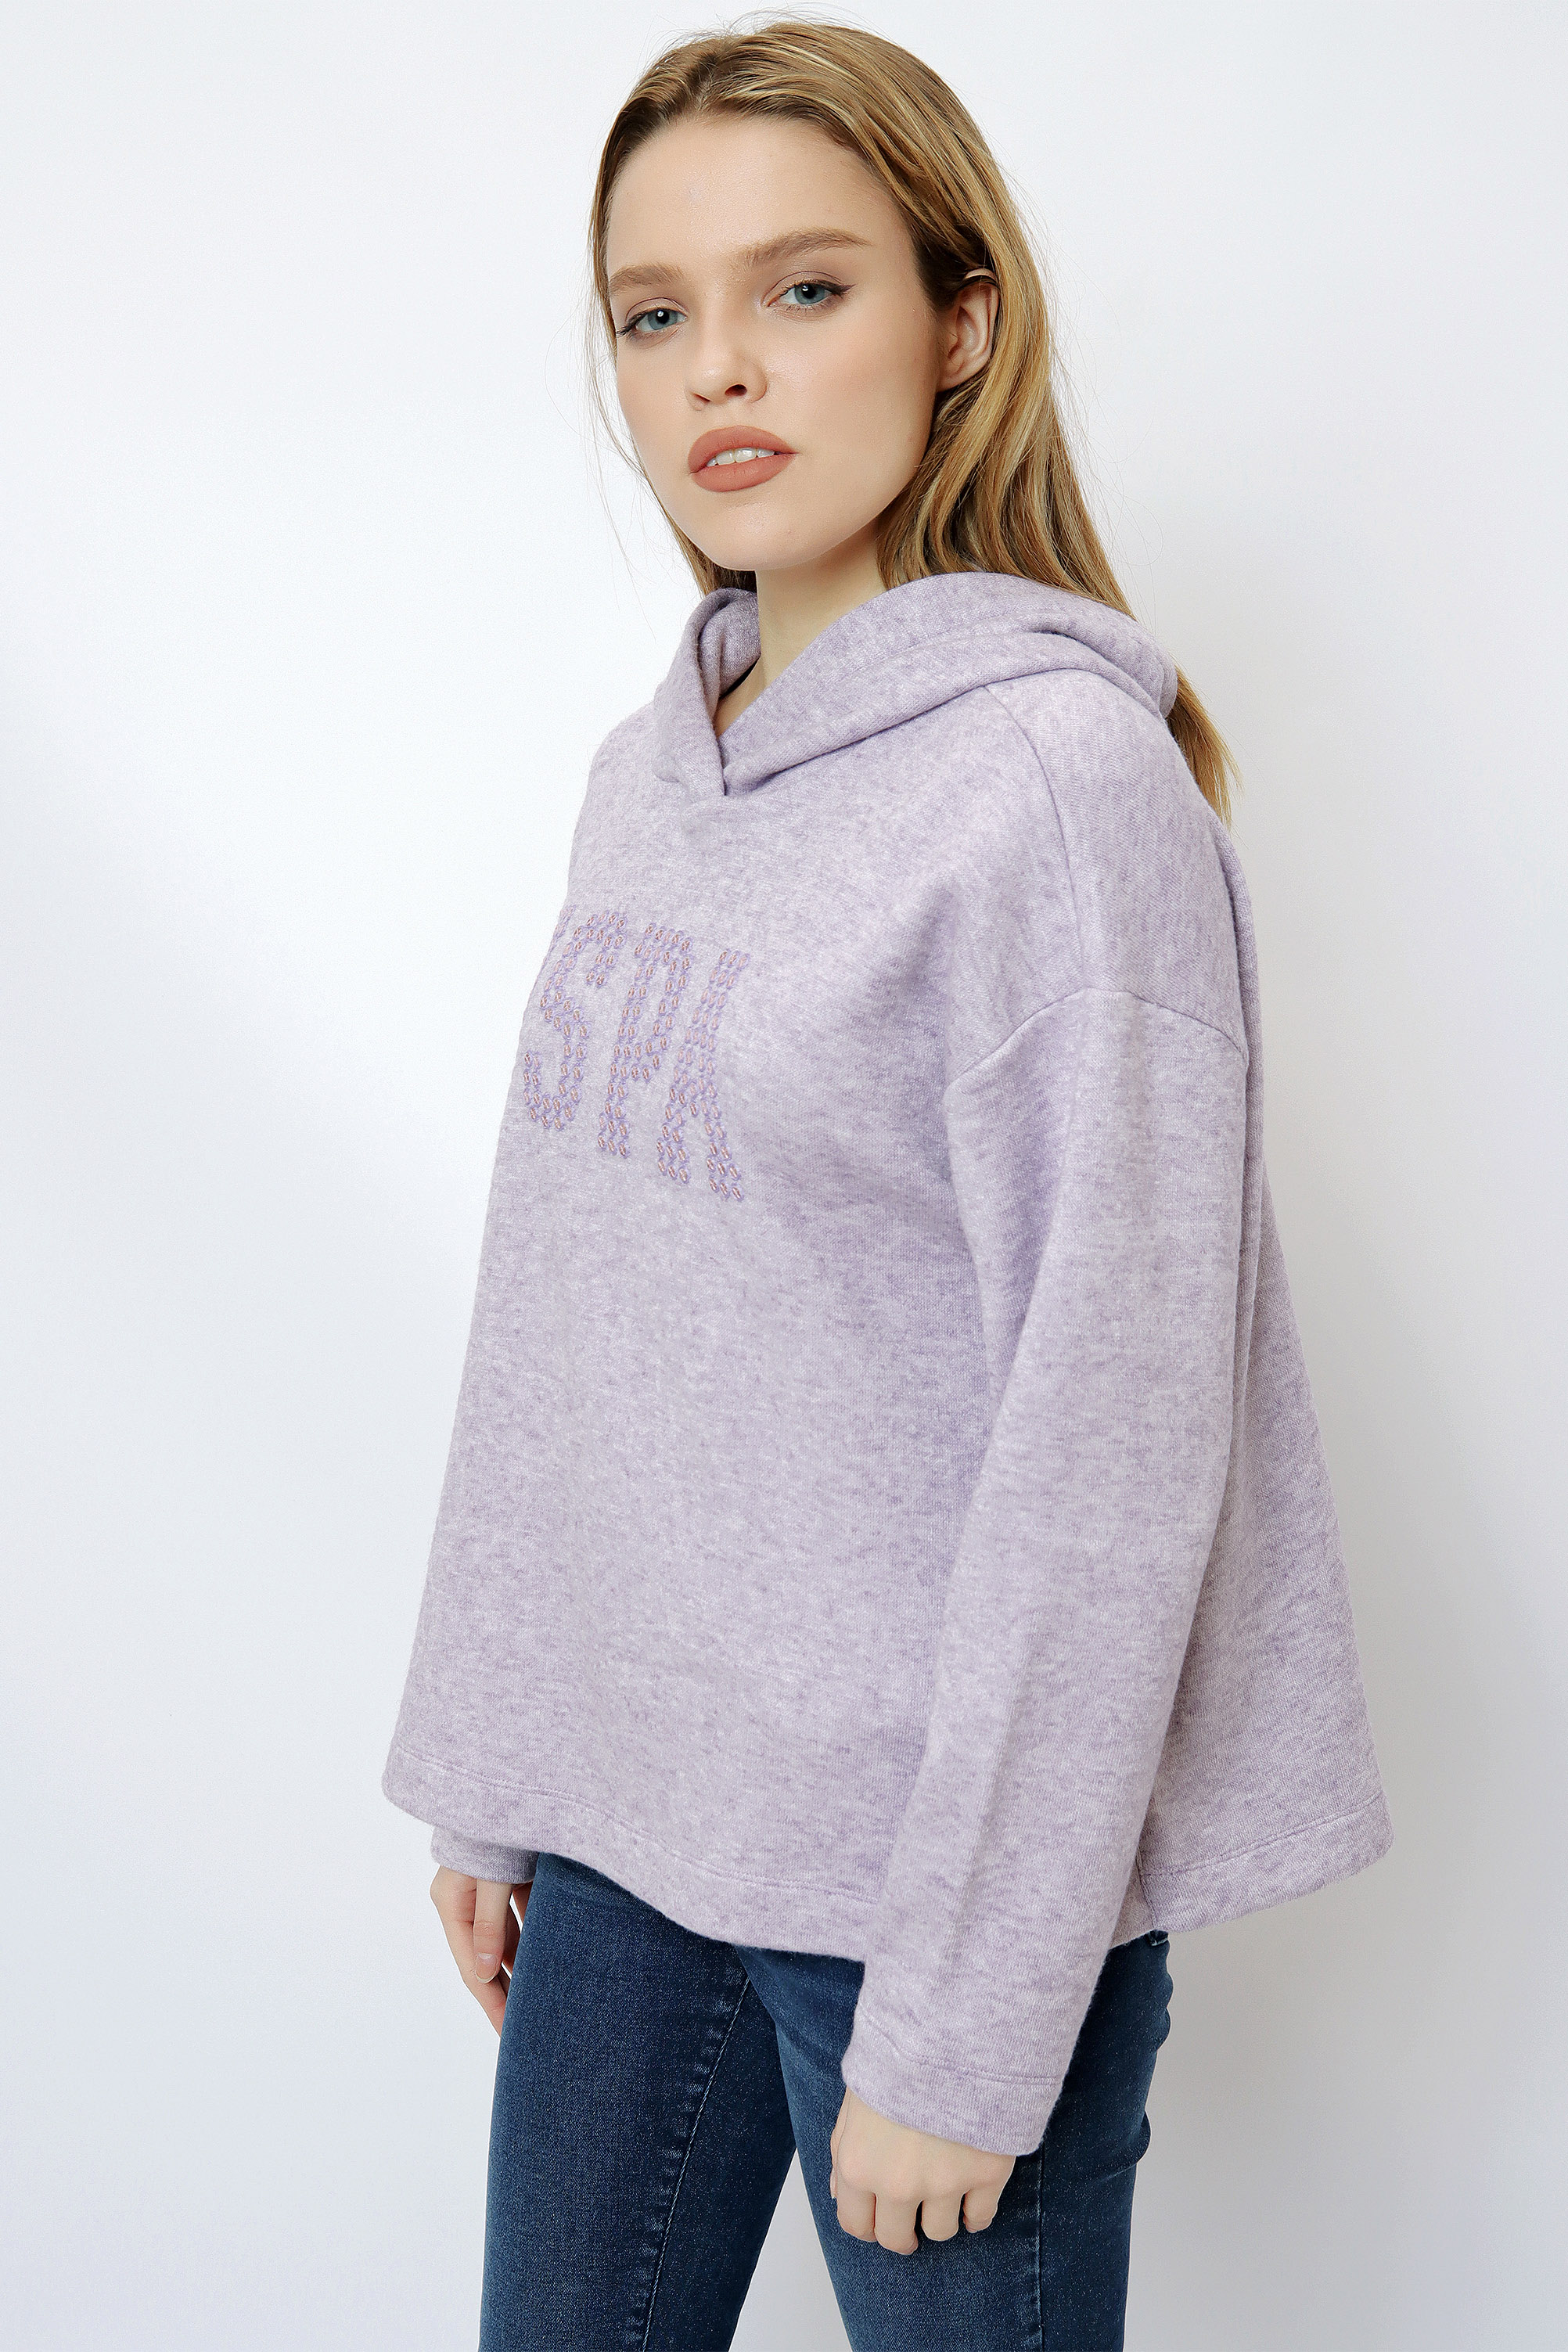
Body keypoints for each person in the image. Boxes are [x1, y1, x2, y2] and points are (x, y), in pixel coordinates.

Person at [382, 21, 1393, 2349]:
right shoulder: (653, 765)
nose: (718, 366)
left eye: (804, 288)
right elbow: (575, 1312)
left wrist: (967, 2021)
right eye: (654, 312)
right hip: (630, 1835)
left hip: (930, 1904)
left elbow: (1114, 1442)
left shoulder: (1057, 793)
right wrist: (497, 1779)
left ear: (961, 323)